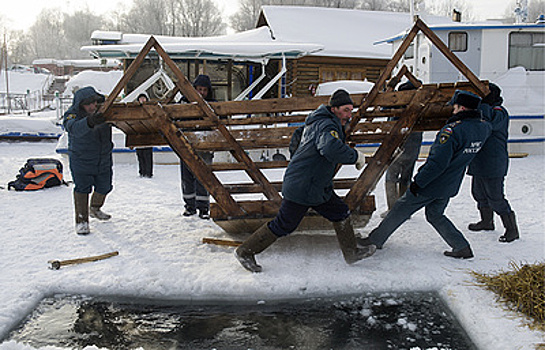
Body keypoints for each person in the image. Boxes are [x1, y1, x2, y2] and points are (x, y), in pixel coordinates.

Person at [235, 89, 374, 273]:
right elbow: (330, 148)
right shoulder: (327, 125)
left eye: (351, 110)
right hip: (304, 186)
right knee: (285, 224)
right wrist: (355, 156)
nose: (349, 115)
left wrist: (302, 163)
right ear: (334, 109)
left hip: (314, 185)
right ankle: (245, 251)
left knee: (340, 212)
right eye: (346, 110)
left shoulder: (314, 122)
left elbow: (295, 140)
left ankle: (352, 253)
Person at [358, 90, 492, 259]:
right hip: (451, 183)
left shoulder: (451, 131)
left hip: (432, 183)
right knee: (435, 214)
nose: (452, 110)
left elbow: (437, 163)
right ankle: (461, 246)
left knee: (400, 209)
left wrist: (418, 183)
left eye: (455, 107)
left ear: (463, 108)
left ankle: (375, 240)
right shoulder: (483, 127)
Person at [467, 83, 519, 243]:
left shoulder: (499, 112)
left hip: (494, 162)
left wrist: (484, 104)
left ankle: (512, 230)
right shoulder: (483, 110)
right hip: (480, 161)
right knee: (478, 193)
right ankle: (487, 221)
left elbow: (489, 124)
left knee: (495, 197)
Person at [63, 86, 113, 235]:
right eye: (88, 104)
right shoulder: (72, 115)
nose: (92, 106)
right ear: (80, 105)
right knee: (82, 189)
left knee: (104, 186)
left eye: (94, 103)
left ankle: (95, 208)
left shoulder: (103, 111)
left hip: (103, 159)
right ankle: (82, 221)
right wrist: (89, 122)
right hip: (81, 159)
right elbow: (73, 128)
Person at [382, 81, 423, 217]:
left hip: (397, 148)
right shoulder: (420, 106)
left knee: (391, 177)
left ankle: (393, 210)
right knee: (406, 178)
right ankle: (404, 210)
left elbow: (383, 109)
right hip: (413, 148)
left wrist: (389, 89)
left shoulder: (398, 105)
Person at [180, 74, 215, 219]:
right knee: (187, 177)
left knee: (203, 177)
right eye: (198, 89)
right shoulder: (183, 102)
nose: (201, 93)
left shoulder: (213, 104)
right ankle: (190, 206)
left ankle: (203, 208)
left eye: (204, 90)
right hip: (186, 145)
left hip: (205, 146)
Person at [135, 93, 153, 178]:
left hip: (148, 134)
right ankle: (142, 171)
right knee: (140, 154)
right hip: (138, 134)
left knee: (147, 154)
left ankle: (148, 172)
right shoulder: (135, 109)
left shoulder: (150, 108)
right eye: (141, 98)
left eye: (144, 98)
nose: (142, 100)